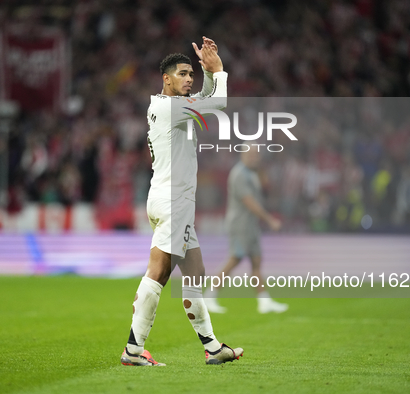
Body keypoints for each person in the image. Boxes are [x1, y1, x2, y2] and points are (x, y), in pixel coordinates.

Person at [120, 37, 243, 367]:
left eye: (192, 73)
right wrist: (219, 72)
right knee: (158, 273)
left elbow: (203, 99)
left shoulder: (165, 106)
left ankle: (213, 347)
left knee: (195, 273)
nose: (189, 78)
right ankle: (133, 350)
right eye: (183, 73)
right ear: (166, 79)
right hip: (173, 200)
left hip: (169, 199)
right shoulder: (170, 107)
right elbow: (216, 104)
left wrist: (208, 74)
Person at [204, 148, 289, 314]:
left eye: (256, 154)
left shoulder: (252, 173)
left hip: (251, 224)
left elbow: (264, 190)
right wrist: (269, 219)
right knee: (235, 258)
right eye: (250, 154)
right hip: (240, 224)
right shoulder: (239, 175)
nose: (254, 157)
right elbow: (249, 201)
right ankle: (209, 296)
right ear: (242, 155)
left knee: (256, 260)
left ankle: (264, 301)